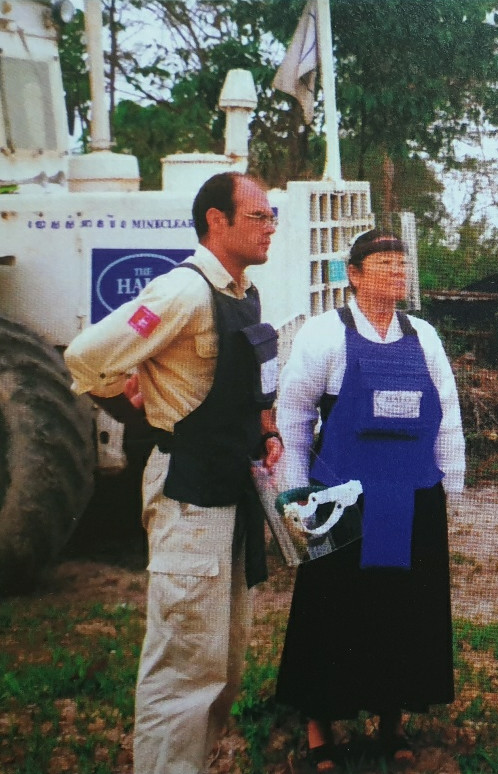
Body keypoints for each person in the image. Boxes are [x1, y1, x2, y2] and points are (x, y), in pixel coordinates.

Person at [63, 172, 282, 773]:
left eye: (272, 217)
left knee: (222, 667)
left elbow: (241, 386)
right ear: (218, 221)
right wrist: (131, 402)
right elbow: (85, 358)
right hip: (188, 496)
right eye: (260, 216)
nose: (271, 228)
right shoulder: (180, 294)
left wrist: (264, 433)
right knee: (183, 670)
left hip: (230, 493)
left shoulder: (243, 292)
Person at [273, 229, 465, 771]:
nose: (396, 273)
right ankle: (319, 726)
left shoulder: (424, 336)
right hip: (340, 502)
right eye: (383, 264)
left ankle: (392, 719)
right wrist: (295, 498)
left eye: (401, 264)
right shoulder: (323, 335)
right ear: (354, 275)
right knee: (331, 611)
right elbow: (293, 414)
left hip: (411, 498)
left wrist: (451, 487)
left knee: (402, 611)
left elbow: (447, 417)